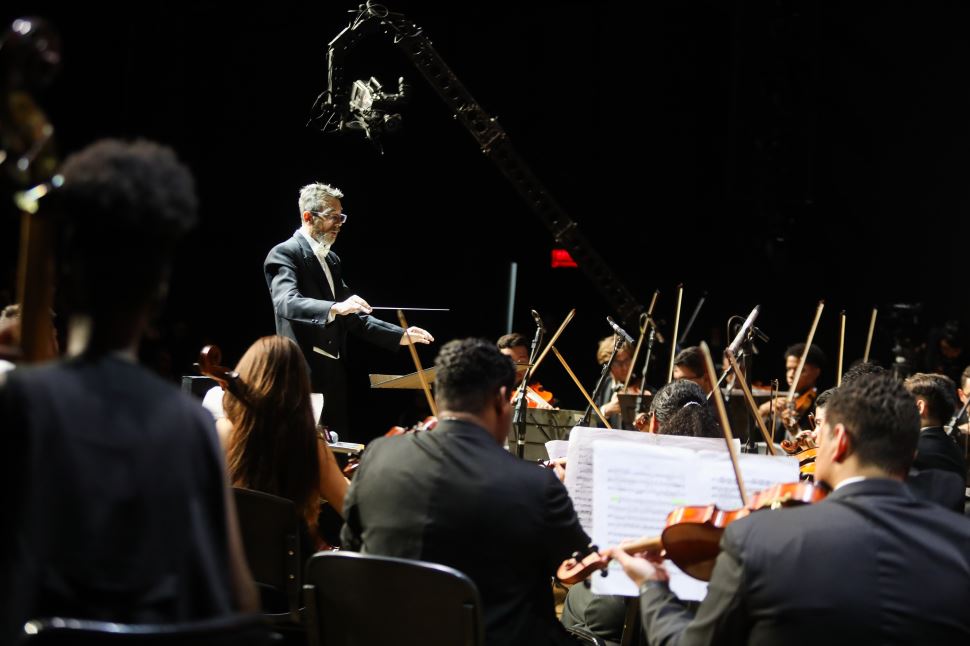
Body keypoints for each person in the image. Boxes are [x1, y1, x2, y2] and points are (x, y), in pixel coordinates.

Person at [0, 139, 257, 644]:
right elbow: (235, 599)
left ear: (66, 276)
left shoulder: (19, 402)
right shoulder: (191, 425)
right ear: (159, 291)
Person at [610, 374, 970, 645]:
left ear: (840, 441)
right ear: (910, 453)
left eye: (820, 432)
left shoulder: (760, 538)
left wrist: (653, 588)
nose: (812, 442)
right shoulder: (961, 542)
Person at [341, 338, 589, 646]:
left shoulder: (378, 455)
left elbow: (352, 551)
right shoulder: (537, 486)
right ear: (501, 398)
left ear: (439, 392)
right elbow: (574, 571)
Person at [264, 182, 434, 439]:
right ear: (308, 216)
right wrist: (335, 307)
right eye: (333, 216)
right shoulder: (285, 253)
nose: (339, 223)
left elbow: (353, 317)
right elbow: (286, 302)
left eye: (341, 216)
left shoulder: (332, 260)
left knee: (336, 448)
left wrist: (400, 334)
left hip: (333, 374)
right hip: (302, 371)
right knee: (303, 451)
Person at [217, 336, 349, 543]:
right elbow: (351, 509)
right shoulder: (308, 444)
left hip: (231, 565)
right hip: (289, 570)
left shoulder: (222, 431)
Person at [592, 334, 638, 428]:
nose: (624, 367)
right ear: (607, 365)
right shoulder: (603, 385)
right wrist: (607, 409)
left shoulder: (642, 387)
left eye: (627, 360)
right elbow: (589, 418)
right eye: (618, 363)